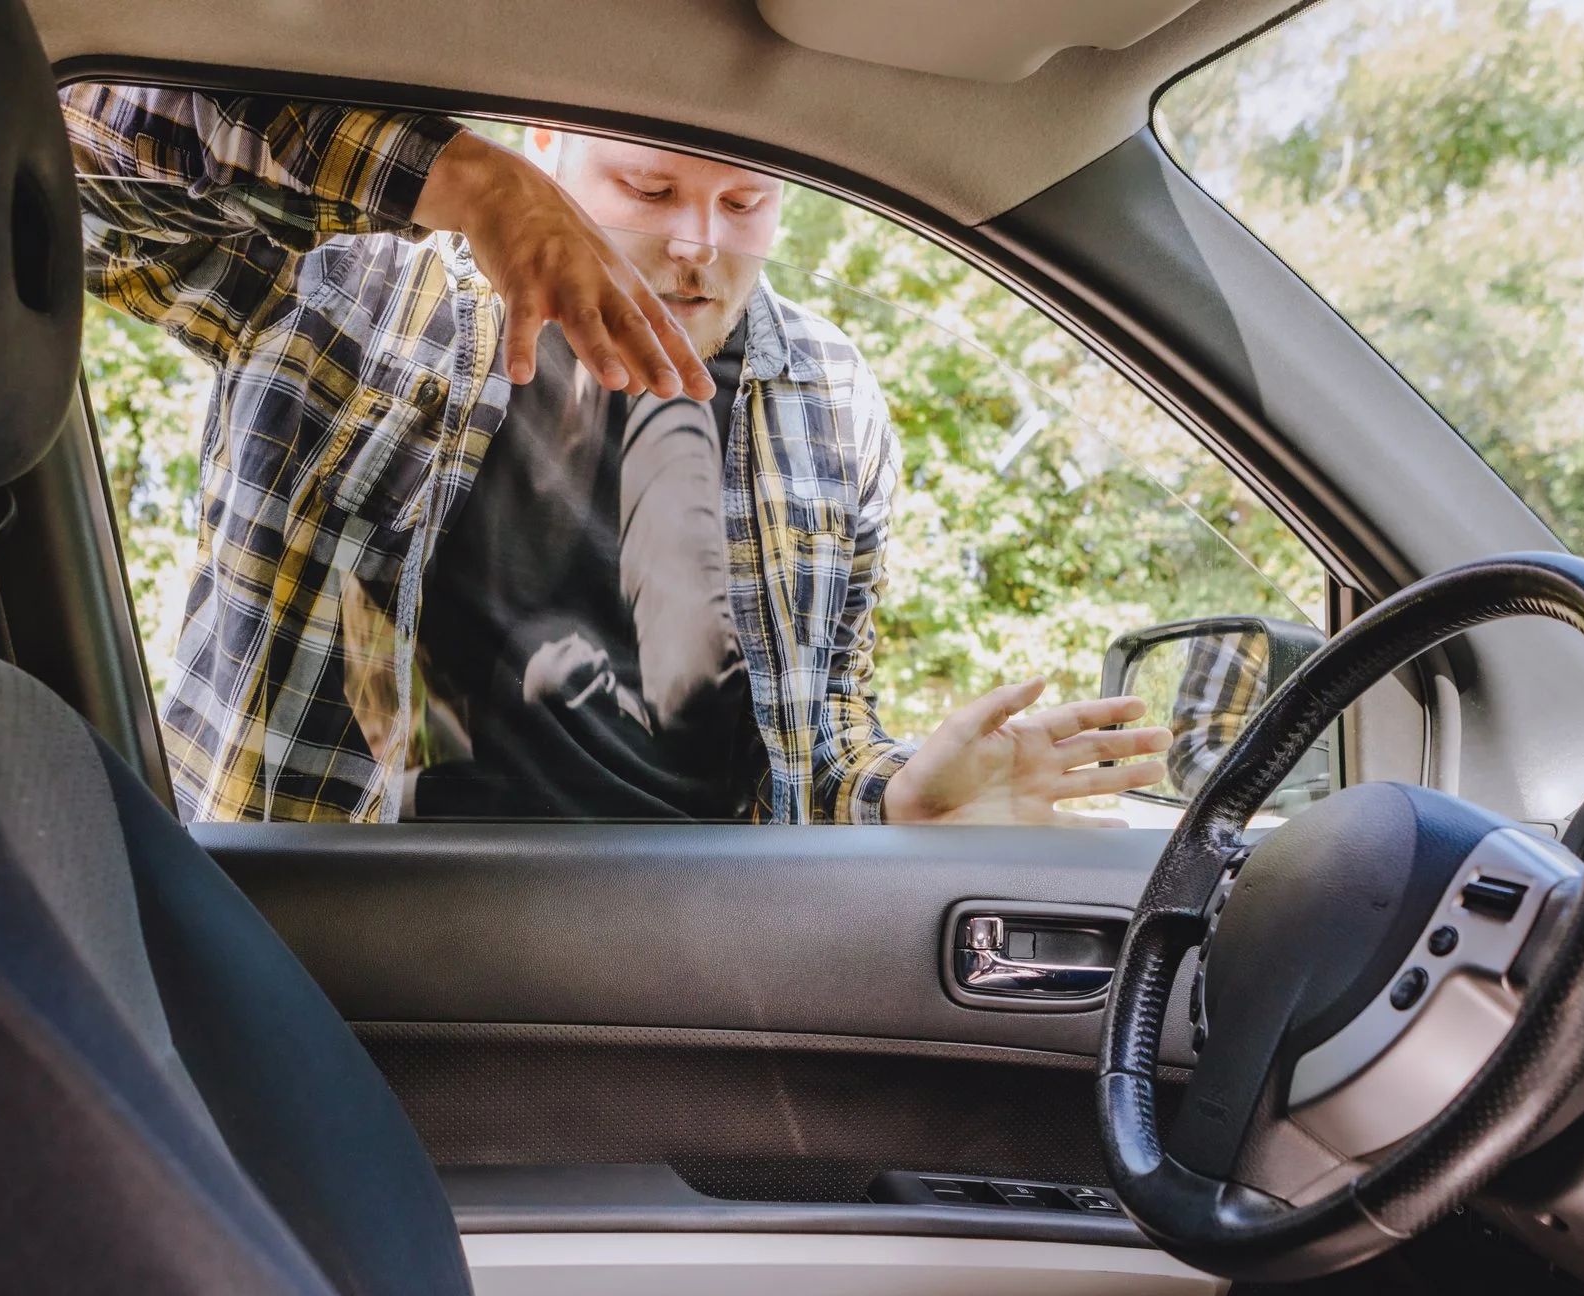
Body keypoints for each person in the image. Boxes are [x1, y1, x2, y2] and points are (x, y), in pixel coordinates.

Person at [63, 86, 1171, 823]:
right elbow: (71, 152)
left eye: (746, 202)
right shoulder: (346, 290)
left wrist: (901, 797)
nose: (698, 243)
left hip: (679, 958)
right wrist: (464, 181)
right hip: (334, 936)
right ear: (548, 149)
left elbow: (817, 732)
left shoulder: (830, 398)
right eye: (648, 190)